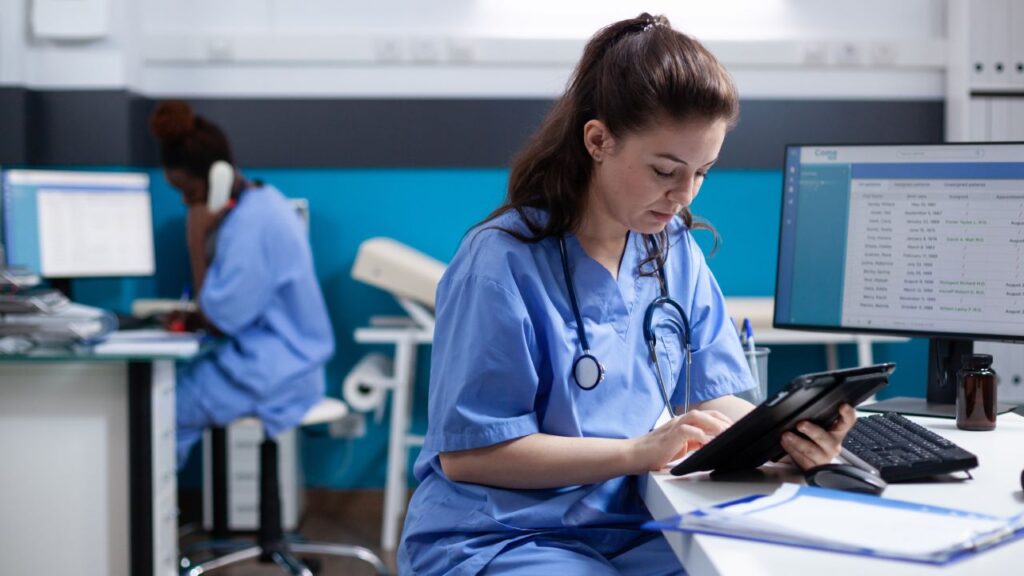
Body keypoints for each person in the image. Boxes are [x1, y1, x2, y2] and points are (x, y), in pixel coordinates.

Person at [398, 14, 856, 575]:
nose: (682, 194)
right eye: (666, 170)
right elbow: (470, 455)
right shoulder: (499, 264)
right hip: (505, 534)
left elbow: (710, 398)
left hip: (631, 524)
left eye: (703, 172)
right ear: (598, 140)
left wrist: (790, 433)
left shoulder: (672, 249)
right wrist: (636, 452)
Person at [149, 101, 335, 468]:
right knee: (167, 397)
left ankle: (142, 521)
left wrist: (196, 240)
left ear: (217, 177)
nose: (187, 204)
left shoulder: (252, 225)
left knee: (158, 411)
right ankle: (158, 517)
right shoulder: (260, 204)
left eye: (189, 192)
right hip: (277, 361)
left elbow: (220, 319)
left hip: (280, 371)